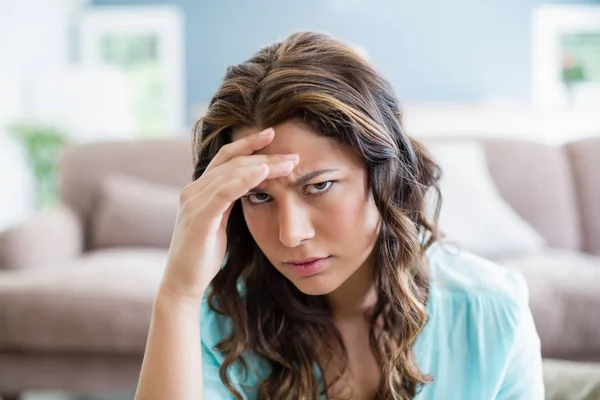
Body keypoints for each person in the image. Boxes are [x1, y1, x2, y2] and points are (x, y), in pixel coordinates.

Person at [134, 31, 545, 400]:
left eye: (319, 186)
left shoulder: (491, 311)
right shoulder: (215, 320)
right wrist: (176, 295)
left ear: (384, 175)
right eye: (259, 197)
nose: (291, 234)